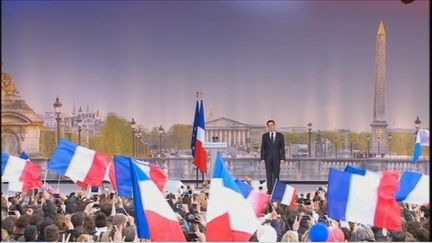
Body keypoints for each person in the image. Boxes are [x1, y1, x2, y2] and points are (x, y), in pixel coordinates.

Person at [260, 120, 285, 195]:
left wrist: (282, 158)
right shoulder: (265, 136)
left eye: (272, 125)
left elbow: (282, 148)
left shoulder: (280, 136)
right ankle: (270, 190)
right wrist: (262, 158)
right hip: (267, 159)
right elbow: (263, 148)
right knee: (268, 175)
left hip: (277, 158)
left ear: (274, 126)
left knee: (276, 175)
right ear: (267, 127)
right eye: (269, 126)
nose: (270, 127)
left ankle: (276, 190)